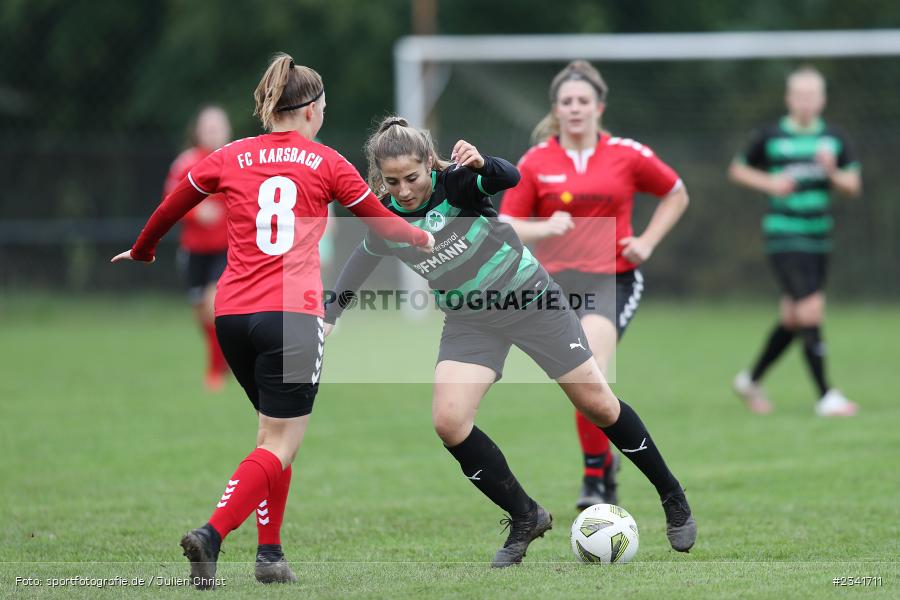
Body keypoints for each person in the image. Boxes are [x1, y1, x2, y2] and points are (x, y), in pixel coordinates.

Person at [111, 54, 434, 589]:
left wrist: (144, 250)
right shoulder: (327, 161)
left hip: (233, 316)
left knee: (273, 434)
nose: (325, 113)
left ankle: (270, 554)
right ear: (309, 109)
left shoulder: (230, 154)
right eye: (323, 106)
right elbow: (387, 225)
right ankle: (211, 535)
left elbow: (172, 206)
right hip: (290, 316)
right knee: (280, 443)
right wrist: (428, 236)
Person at [324, 116, 696, 568]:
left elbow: (508, 177)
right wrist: (328, 316)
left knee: (597, 403)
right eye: (393, 181)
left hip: (531, 301)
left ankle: (671, 494)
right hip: (469, 322)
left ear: (429, 164)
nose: (404, 190)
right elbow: (359, 263)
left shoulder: (458, 184)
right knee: (449, 421)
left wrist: (483, 162)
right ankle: (525, 516)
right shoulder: (386, 216)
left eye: (413, 178)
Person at [499, 61, 689, 510]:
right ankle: (605, 465)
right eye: (567, 101)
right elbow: (506, 225)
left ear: (599, 107)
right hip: (555, 285)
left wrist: (647, 241)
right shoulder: (536, 161)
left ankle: (594, 475)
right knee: (582, 381)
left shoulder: (627, 153)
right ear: (556, 109)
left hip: (613, 278)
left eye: (583, 100)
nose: (575, 108)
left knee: (591, 365)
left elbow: (676, 192)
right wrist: (546, 229)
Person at [728, 65, 861, 417]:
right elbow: (738, 169)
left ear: (822, 100)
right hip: (784, 233)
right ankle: (825, 395)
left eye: (811, 95)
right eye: (798, 95)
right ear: (789, 98)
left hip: (819, 235)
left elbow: (853, 187)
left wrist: (832, 172)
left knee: (793, 317)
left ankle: (750, 380)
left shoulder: (834, 139)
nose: (804, 102)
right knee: (811, 309)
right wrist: (769, 184)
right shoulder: (770, 136)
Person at [163, 105, 232, 391]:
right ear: (198, 131)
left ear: (227, 131)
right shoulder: (185, 163)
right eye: (208, 127)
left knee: (213, 304)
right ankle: (223, 357)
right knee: (200, 314)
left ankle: (215, 371)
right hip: (193, 250)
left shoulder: (235, 161)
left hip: (226, 248)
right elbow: (171, 202)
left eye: (218, 127)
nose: (213, 132)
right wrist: (195, 212)